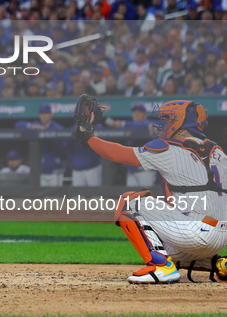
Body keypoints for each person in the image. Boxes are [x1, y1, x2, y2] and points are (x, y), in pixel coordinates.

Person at [72, 99, 227, 284]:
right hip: (221, 237)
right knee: (162, 239)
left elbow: (118, 154)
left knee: (129, 201)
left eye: (169, 119)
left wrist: (87, 137)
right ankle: (219, 263)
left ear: (181, 122)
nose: (164, 124)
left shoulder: (171, 147)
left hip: (197, 233)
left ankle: (160, 267)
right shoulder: (219, 152)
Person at [104, 103, 156, 187]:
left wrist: (122, 124)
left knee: (147, 198)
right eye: (134, 113)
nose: (136, 115)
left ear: (145, 115)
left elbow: (145, 125)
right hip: (131, 170)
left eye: (139, 112)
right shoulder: (130, 126)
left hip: (146, 172)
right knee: (131, 198)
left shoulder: (149, 124)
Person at [15, 104, 66, 186]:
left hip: (55, 170)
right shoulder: (36, 124)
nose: (43, 116)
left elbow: (64, 146)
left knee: (55, 197)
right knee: (42, 197)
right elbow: (18, 124)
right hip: (40, 170)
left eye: (46, 114)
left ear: (51, 114)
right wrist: (31, 126)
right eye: (41, 114)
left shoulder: (58, 128)